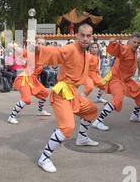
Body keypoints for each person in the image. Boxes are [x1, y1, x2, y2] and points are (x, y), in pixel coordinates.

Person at [35, 24, 100, 173]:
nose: (85, 38)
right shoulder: (71, 48)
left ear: (92, 37)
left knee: (91, 110)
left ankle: (82, 138)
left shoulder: (87, 55)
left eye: (88, 36)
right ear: (77, 35)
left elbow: (90, 76)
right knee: (67, 127)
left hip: (74, 95)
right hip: (62, 93)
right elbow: (55, 52)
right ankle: (44, 158)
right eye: (82, 35)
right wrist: (38, 49)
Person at [92, 33, 140, 132]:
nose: (136, 44)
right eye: (134, 42)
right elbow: (117, 49)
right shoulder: (126, 49)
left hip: (127, 80)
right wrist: (113, 43)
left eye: (138, 43)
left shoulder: (134, 51)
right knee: (118, 98)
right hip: (116, 79)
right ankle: (97, 121)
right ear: (129, 41)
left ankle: (134, 116)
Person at [7, 38, 51, 125]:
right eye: (38, 43)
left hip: (33, 80)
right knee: (26, 99)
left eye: (42, 44)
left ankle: (40, 111)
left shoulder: (45, 56)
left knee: (45, 93)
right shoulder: (31, 54)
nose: (40, 45)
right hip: (24, 78)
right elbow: (21, 51)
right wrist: (14, 46)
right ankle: (11, 117)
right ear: (36, 44)